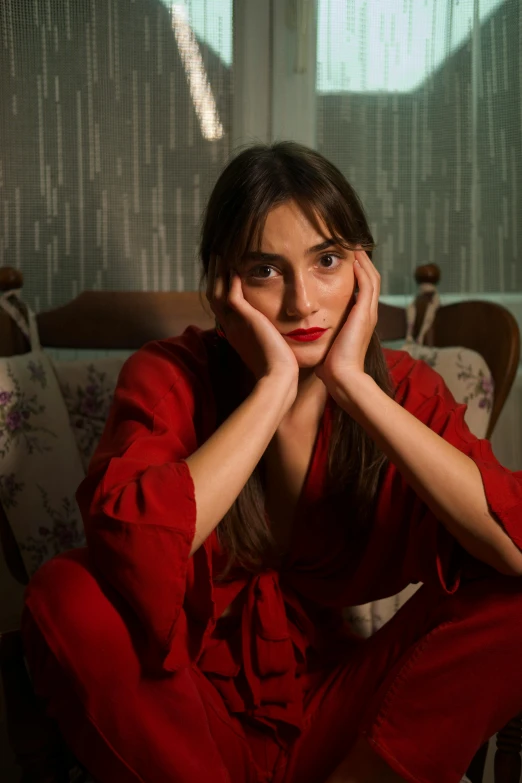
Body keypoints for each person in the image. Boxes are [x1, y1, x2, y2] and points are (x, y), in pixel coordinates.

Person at [23, 142, 522, 783]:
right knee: (66, 593)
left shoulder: (404, 390)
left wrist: (356, 387)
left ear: (362, 271)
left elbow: (512, 547)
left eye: (328, 261)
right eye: (265, 270)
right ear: (222, 284)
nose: (301, 303)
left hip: (349, 727)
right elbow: (133, 553)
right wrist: (272, 389)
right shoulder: (169, 375)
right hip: (190, 726)